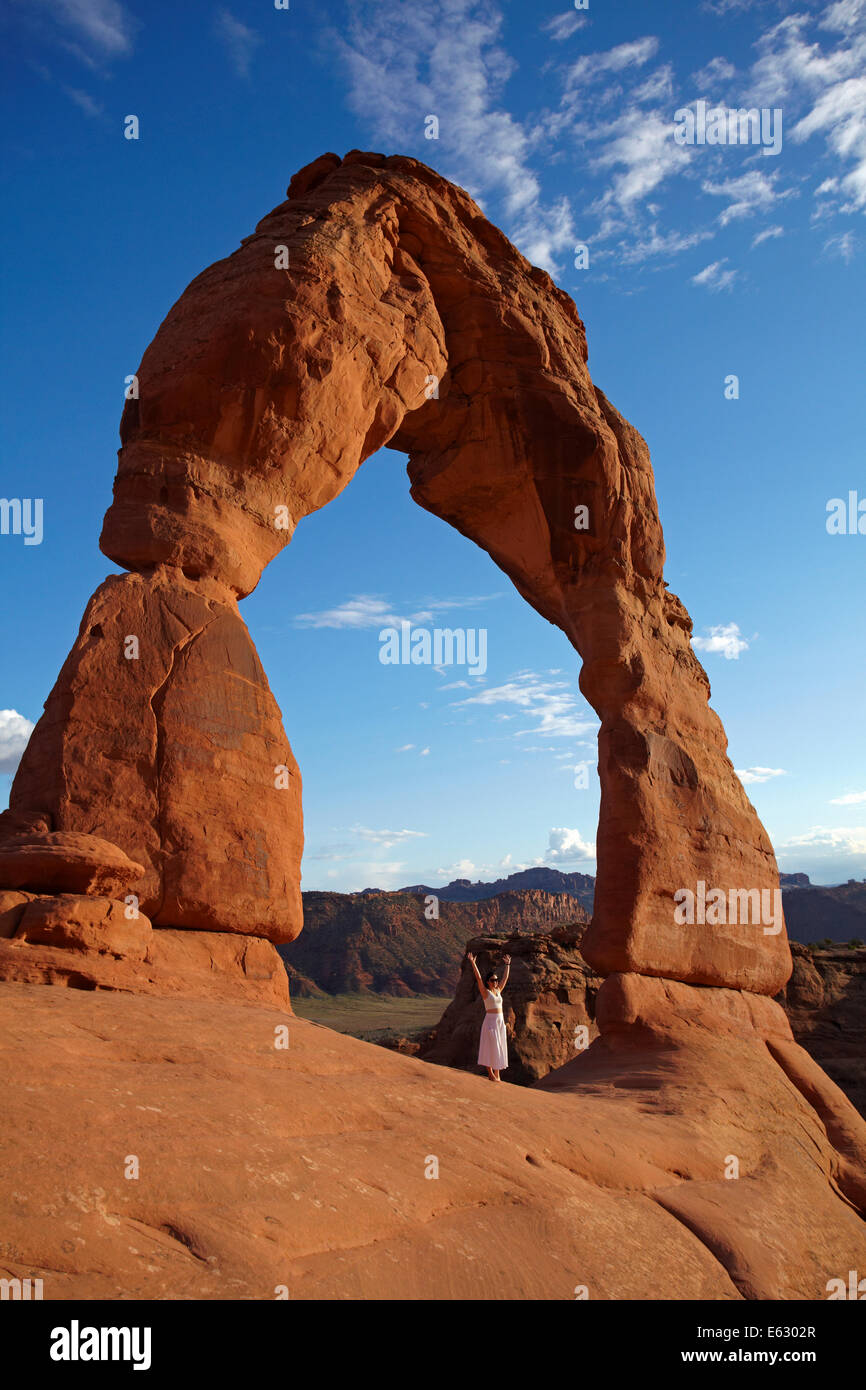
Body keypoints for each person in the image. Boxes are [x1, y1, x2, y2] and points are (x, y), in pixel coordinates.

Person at [466, 950, 510, 1081]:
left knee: (499, 1045)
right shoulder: (486, 993)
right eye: (493, 980)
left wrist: (508, 965)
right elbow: (479, 978)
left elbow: (505, 979)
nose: (496, 982)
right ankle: (490, 1074)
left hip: (499, 1021)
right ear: (488, 982)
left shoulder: (498, 991)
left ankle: (497, 1074)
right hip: (490, 1021)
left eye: (496, 980)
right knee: (490, 1046)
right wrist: (473, 963)